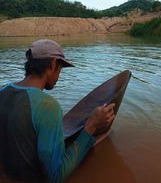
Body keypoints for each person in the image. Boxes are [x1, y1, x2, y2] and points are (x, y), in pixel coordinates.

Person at [0, 39, 115, 183]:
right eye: (60, 70)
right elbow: (56, 177)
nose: (58, 77)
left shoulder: (3, 91)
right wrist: (91, 126)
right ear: (53, 64)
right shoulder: (47, 106)